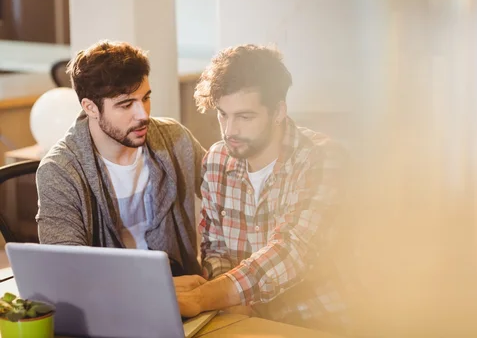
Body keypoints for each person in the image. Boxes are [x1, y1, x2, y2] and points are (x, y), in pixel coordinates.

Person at [175, 44, 348, 332]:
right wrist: (232, 301)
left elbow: (294, 250)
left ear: (278, 111)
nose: (229, 130)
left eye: (245, 117)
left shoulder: (323, 159)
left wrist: (204, 296)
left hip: (317, 321)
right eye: (222, 115)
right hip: (242, 319)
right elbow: (215, 249)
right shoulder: (217, 160)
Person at [36, 40, 205, 276]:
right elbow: (67, 270)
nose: (143, 114)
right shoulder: (60, 170)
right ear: (91, 108)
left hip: (185, 292)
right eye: (126, 104)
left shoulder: (175, 139)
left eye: (145, 98)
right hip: (110, 302)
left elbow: (225, 195)